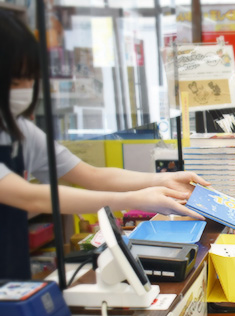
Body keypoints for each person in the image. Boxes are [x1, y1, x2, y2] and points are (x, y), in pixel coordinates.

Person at [0, 12, 207, 280]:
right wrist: (134, 198)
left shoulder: (17, 131)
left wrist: (164, 180)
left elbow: (93, 176)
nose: (27, 89)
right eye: (17, 82)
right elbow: (31, 196)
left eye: (30, 79)